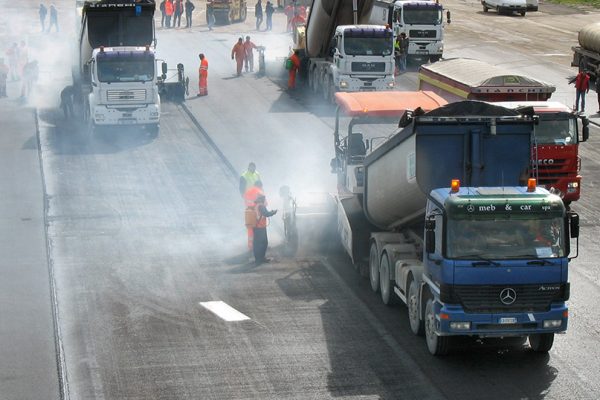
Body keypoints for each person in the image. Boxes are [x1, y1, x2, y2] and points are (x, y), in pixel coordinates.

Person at [252, 195, 277, 265]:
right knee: (264, 243)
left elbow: (264, 213)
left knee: (257, 243)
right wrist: (273, 212)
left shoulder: (257, 205)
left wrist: (271, 212)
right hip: (260, 227)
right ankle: (261, 258)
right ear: (262, 200)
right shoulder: (261, 206)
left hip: (256, 227)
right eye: (265, 199)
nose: (265, 201)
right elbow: (266, 214)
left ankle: (258, 258)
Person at [243, 179, 264, 250]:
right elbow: (264, 203)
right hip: (256, 212)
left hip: (248, 212)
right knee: (258, 230)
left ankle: (250, 246)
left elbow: (245, 201)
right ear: (260, 186)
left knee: (250, 229)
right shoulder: (259, 192)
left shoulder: (247, 191)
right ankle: (257, 246)